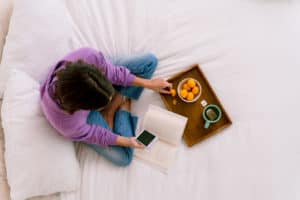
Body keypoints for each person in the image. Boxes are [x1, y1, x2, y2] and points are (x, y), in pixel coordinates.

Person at [40, 47, 172, 166]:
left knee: (150, 62)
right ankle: (122, 107)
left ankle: (113, 107)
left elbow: (114, 73)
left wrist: (149, 84)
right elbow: (95, 134)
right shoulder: (67, 124)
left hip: (89, 86)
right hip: (80, 116)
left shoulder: (89, 56)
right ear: (85, 108)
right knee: (124, 157)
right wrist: (128, 141)